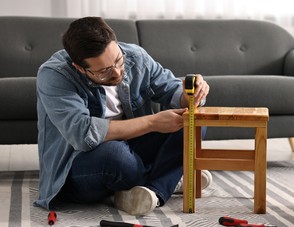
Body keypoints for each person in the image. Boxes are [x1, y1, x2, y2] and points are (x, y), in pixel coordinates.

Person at [35, 16, 211, 216]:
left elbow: (172, 91)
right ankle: (169, 176)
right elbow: (83, 134)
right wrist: (153, 122)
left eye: (118, 61)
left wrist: (192, 94)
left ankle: (153, 191)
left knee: (193, 122)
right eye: (104, 71)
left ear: (116, 44)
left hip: (132, 149)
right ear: (79, 68)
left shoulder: (135, 56)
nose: (117, 73)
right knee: (116, 157)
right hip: (80, 164)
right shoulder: (54, 75)